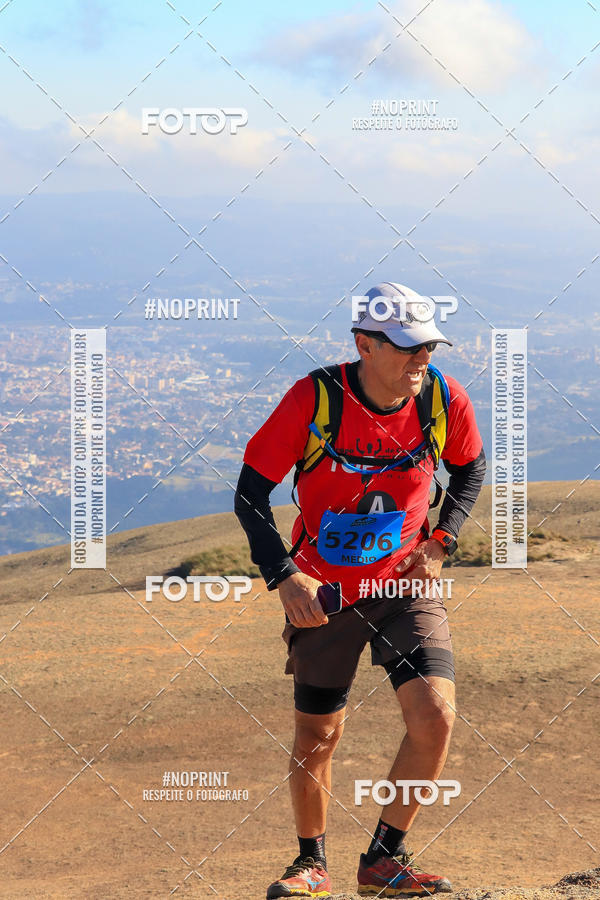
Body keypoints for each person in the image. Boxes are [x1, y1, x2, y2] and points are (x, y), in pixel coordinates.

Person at [234, 283, 486, 898]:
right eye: (405, 347)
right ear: (364, 344)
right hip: (326, 594)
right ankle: (308, 865)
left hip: (404, 584)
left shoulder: (443, 398)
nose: (420, 360)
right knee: (318, 735)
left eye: (427, 345)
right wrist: (286, 577)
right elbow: (249, 494)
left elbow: (471, 466)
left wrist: (441, 541)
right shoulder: (315, 398)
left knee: (435, 716)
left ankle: (383, 859)